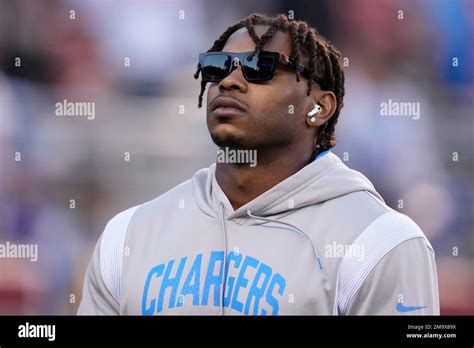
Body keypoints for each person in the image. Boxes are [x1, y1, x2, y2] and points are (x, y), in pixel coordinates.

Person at [78, 13, 439, 315]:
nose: (230, 82)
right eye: (217, 67)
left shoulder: (380, 242)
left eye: (259, 67)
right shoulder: (127, 235)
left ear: (319, 107)